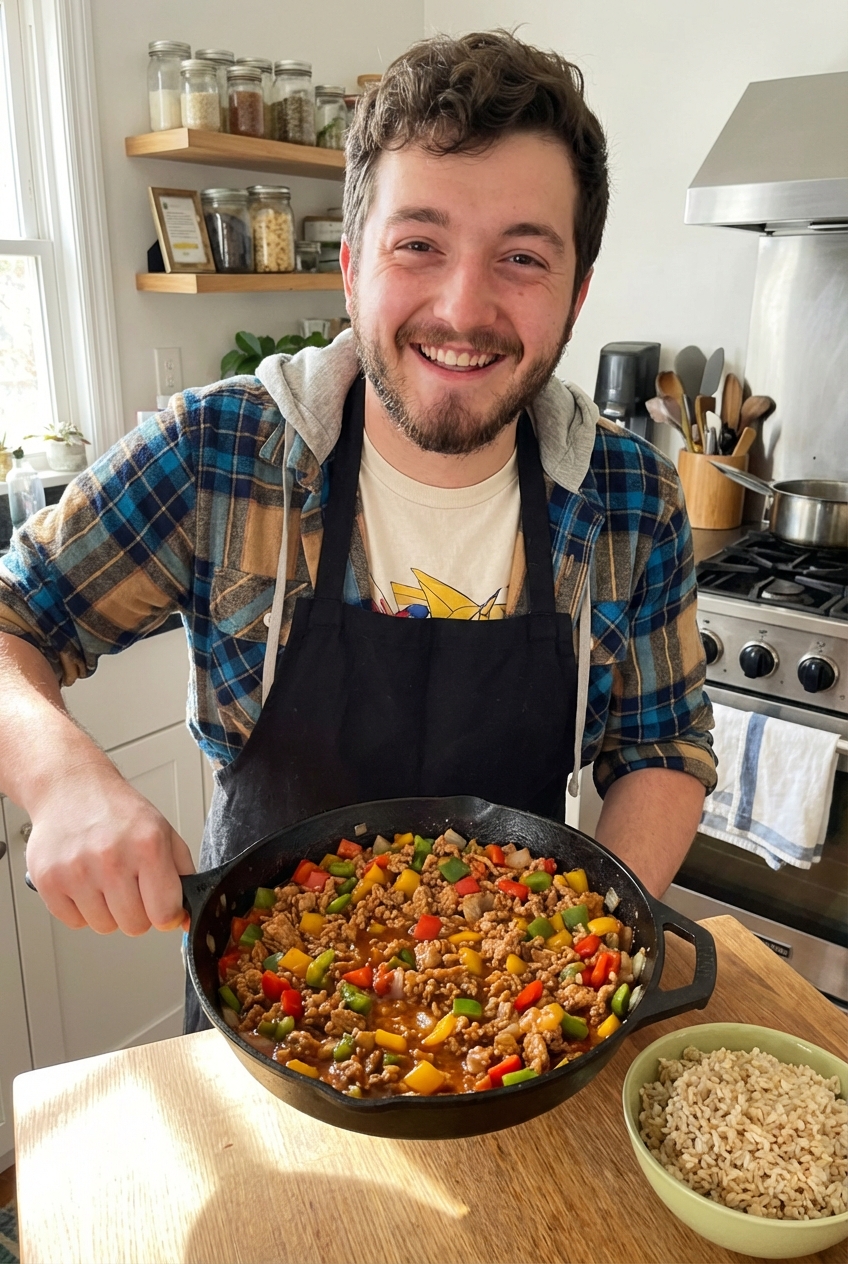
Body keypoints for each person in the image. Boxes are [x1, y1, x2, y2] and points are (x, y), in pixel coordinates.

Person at [0, 31, 715, 1032]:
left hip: (521, 1020)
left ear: (574, 295)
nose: (462, 309)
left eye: (520, 257)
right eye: (417, 244)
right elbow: (11, 617)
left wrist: (576, 958)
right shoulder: (217, 452)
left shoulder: (629, 493)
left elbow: (660, 750)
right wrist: (65, 779)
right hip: (267, 1014)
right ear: (349, 267)